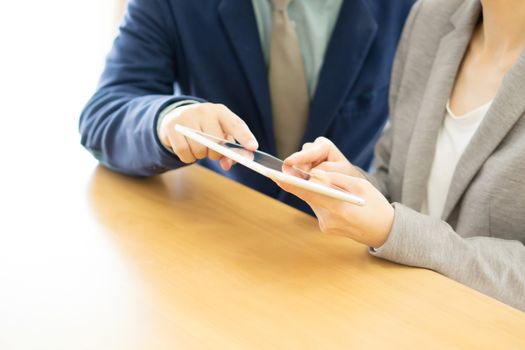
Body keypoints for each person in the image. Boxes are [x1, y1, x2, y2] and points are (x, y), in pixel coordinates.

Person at [276, 0, 525, 310]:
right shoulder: (430, 17)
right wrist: (350, 183)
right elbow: (395, 184)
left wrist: (395, 230)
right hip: (389, 307)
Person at [79, 0, 415, 213]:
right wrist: (169, 120)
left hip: (347, 246)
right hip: (223, 231)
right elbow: (104, 115)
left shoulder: (410, 9)